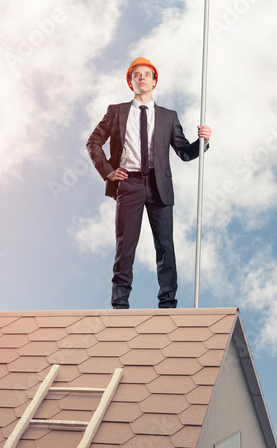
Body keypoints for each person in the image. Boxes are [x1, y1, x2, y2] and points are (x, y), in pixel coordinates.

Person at [86, 57, 211, 309]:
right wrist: (109, 171)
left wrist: (203, 142)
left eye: (147, 74)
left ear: (155, 81)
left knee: (165, 246)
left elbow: (184, 152)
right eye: (136, 75)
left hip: (159, 186)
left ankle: (168, 304)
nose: (142, 77)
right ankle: (119, 304)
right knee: (125, 245)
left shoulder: (168, 116)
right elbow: (93, 142)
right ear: (130, 82)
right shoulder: (116, 111)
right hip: (128, 185)